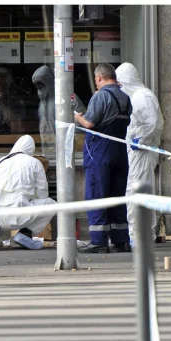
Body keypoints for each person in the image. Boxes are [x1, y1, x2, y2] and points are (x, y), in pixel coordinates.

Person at [74, 63, 133, 254]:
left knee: (97, 195)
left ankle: (98, 241)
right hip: (119, 151)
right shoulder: (125, 98)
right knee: (117, 196)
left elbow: (90, 123)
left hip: (99, 152)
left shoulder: (101, 96)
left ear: (99, 78)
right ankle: (121, 240)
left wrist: (77, 117)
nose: (96, 84)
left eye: (95, 80)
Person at [0, 135, 56, 250]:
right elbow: (42, 194)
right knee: (51, 204)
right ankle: (24, 234)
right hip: (20, 213)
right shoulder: (34, 162)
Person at [116, 62, 163, 246]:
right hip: (136, 151)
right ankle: (137, 233)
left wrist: (140, 141)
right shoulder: (136, 96)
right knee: (135, 190)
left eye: (120, 84)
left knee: (138, 191)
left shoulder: (143, 96)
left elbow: (153, 124)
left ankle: (141, 235)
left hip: (142, 152)